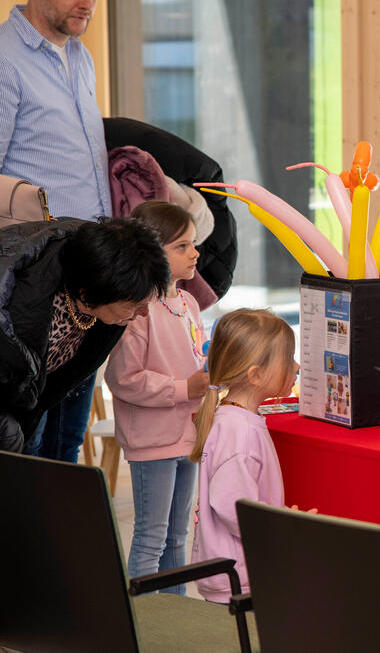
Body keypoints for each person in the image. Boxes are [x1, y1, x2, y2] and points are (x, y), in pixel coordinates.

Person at [0, 0, 121, 461]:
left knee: (68, 442)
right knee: (31, 443)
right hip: (35, 283)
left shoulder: (81, 57)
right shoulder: (5, 60)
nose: (86, 4)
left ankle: (61, 545)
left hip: (88, 275)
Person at [104, 201, 209, 595]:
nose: (195, 253)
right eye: (182, 246)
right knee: (152, 537)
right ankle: (144, 624)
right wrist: (185, 389)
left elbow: (195, 359)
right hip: (153, 444)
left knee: (178, 536)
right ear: (151, 253)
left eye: (193, 244)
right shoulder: (137, 311)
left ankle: (173, 619)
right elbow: (123, 379)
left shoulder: (188, 303)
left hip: (187, 437)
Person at [0, 217, 170, 453]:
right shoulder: (23, 302)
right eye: (135, 305)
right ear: (89, 294)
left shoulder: (105, 307)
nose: (143, 313)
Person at [189, 308, 300, 603]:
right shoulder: (240, 432)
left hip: (230, 568)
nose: (297, 365)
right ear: (256, 375)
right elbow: (235, 508)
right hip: (240, 575)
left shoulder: (232, 418)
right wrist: (281, 525)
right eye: (288, 359)